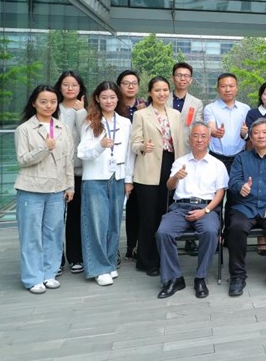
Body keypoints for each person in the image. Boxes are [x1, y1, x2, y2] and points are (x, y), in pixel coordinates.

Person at [155, 122, 228, 299]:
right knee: (163, 233)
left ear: (209, 139)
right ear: (189, 139)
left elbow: (220, 193)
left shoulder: (217, 164)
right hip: (180, 208)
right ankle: (174, 278)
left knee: (210, 232)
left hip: (206, 208)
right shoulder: (180, 162)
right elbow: (169, 186)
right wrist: (175, 177)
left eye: (203, 136)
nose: (199, 139)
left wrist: (206, 211)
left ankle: (200, 278)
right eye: (195, 135)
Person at [14, 85, 74, 294]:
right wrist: (44, 148)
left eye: (53, 101)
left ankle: (49, 273)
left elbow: (68, 160)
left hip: (57, 189)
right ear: (34, 103)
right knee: (31, 235)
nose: (49, 105)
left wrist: (70, 186)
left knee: (54, 233)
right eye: (43, 101)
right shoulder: (24, 129)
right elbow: (23, 160)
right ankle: (33, 278)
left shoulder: (62, 128)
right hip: (31, 189)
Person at [226, 118, 266, 297]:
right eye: (256, 133)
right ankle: (237, 276)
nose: (260, 136)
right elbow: (233, 181)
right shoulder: (241, 159)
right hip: (245, 206)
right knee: (236, 227)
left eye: (264, 132)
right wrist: (241, 187)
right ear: (251, 137)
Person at [77, 81, 133, 286]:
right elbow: (82, 152)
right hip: (95, 178)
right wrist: (100, 146)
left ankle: (109, 263)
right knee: (96, 225)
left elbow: (129, 154)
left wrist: (128, 179)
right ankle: (98, 268)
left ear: (118, 99)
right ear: (97, 99)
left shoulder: (125, 122)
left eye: (112, 97)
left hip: (117, 177)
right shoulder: (90, 121)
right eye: (104, 97)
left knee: (114, 224)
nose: (109, 101)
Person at [128, 76, 186, 276]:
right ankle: (146, 261)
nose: (162, 94)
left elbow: (180, 142)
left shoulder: (175, 114)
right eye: (157, 90)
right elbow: (134, 144)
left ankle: (164, 257)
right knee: (149, 217)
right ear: (150, 93)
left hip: (171, 166)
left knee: (166, 214)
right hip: (149, 168)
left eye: (165, 90)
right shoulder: (141, 114)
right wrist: (143, 146)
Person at [55, 71, 87, 275]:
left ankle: (76, 256)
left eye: (74, 85)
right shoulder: (53, 108)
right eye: (66, 84)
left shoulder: (85, 110)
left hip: (79, 172)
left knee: (76, 216)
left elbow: (87, 136)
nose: (70, 88)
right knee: (56, 218)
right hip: (56, 172)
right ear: (60, 87)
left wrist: (81, 112)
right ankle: (56, 258)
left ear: (80, 88)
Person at [118, 69, 145, 260]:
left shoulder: (144, 107)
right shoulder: (113, 105)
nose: (130, 86)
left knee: (137, 206)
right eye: (126, 83)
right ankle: (128, 245)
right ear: (119, 86)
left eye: (134, 83)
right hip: (118, 161)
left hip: (140, 161)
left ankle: (136, 245)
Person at [203, 73, 251, 173]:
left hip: (240, 157)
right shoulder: (210, 108)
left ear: (236, 88)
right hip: (216, 157)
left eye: (231, 86)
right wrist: (216, 132)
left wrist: (245, 133)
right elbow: (211, 127)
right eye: (223, 86)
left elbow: (248, 134)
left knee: (237, 183)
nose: (228, 89)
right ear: (218, 89)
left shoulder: (245, 109)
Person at [169, 62, 204, 153]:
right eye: (179, 75)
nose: (182, 79)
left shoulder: (197, 103)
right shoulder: (163, 100)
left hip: (186, 148)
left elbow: (197, 126)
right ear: (172, 78)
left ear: (191, 80)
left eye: (186, 76)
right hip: (165, 148)